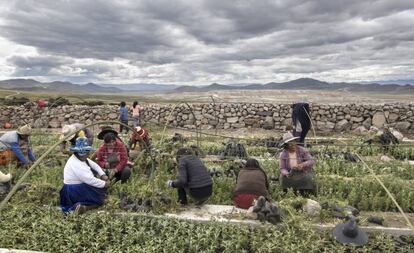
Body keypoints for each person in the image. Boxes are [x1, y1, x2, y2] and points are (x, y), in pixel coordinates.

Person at [59, 136, 109, 214]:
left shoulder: (79, 158)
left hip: (74, 187)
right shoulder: (77, 164)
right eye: (87, 152)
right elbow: (90, 180)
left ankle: (81, 205)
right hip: (73, 190)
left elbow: (93, 165)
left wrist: (102, 174)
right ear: (82, 153)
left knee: (98, 192)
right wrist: (104, 184)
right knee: (99, 200)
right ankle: (84, 208)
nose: (89, 154)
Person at [279, 132, 315, 196]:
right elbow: (282, 168)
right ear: (286, 146)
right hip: (291, 173)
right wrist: (286, 173)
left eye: (293, 142)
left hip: (303, 172)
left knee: (308, 178)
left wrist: (302, 165)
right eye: (290, 144)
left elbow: (311, 161)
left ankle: (306, 194)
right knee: (283, 178)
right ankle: (288, 195)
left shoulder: (302, 150)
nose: (293, 145)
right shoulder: (283, 154)